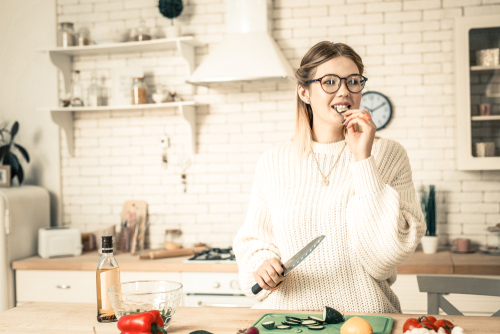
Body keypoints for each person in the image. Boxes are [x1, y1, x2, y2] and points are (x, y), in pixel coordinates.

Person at [232, 41, 427, 313]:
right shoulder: (273, 162)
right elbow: (255, 240)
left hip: (366, 320)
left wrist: (363, 159)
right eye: (330, 82)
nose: (344, 91)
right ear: (305, 92)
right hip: (286, 321)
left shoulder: (387, 154)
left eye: (353, 81)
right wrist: (262, 265)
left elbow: (383, 257)